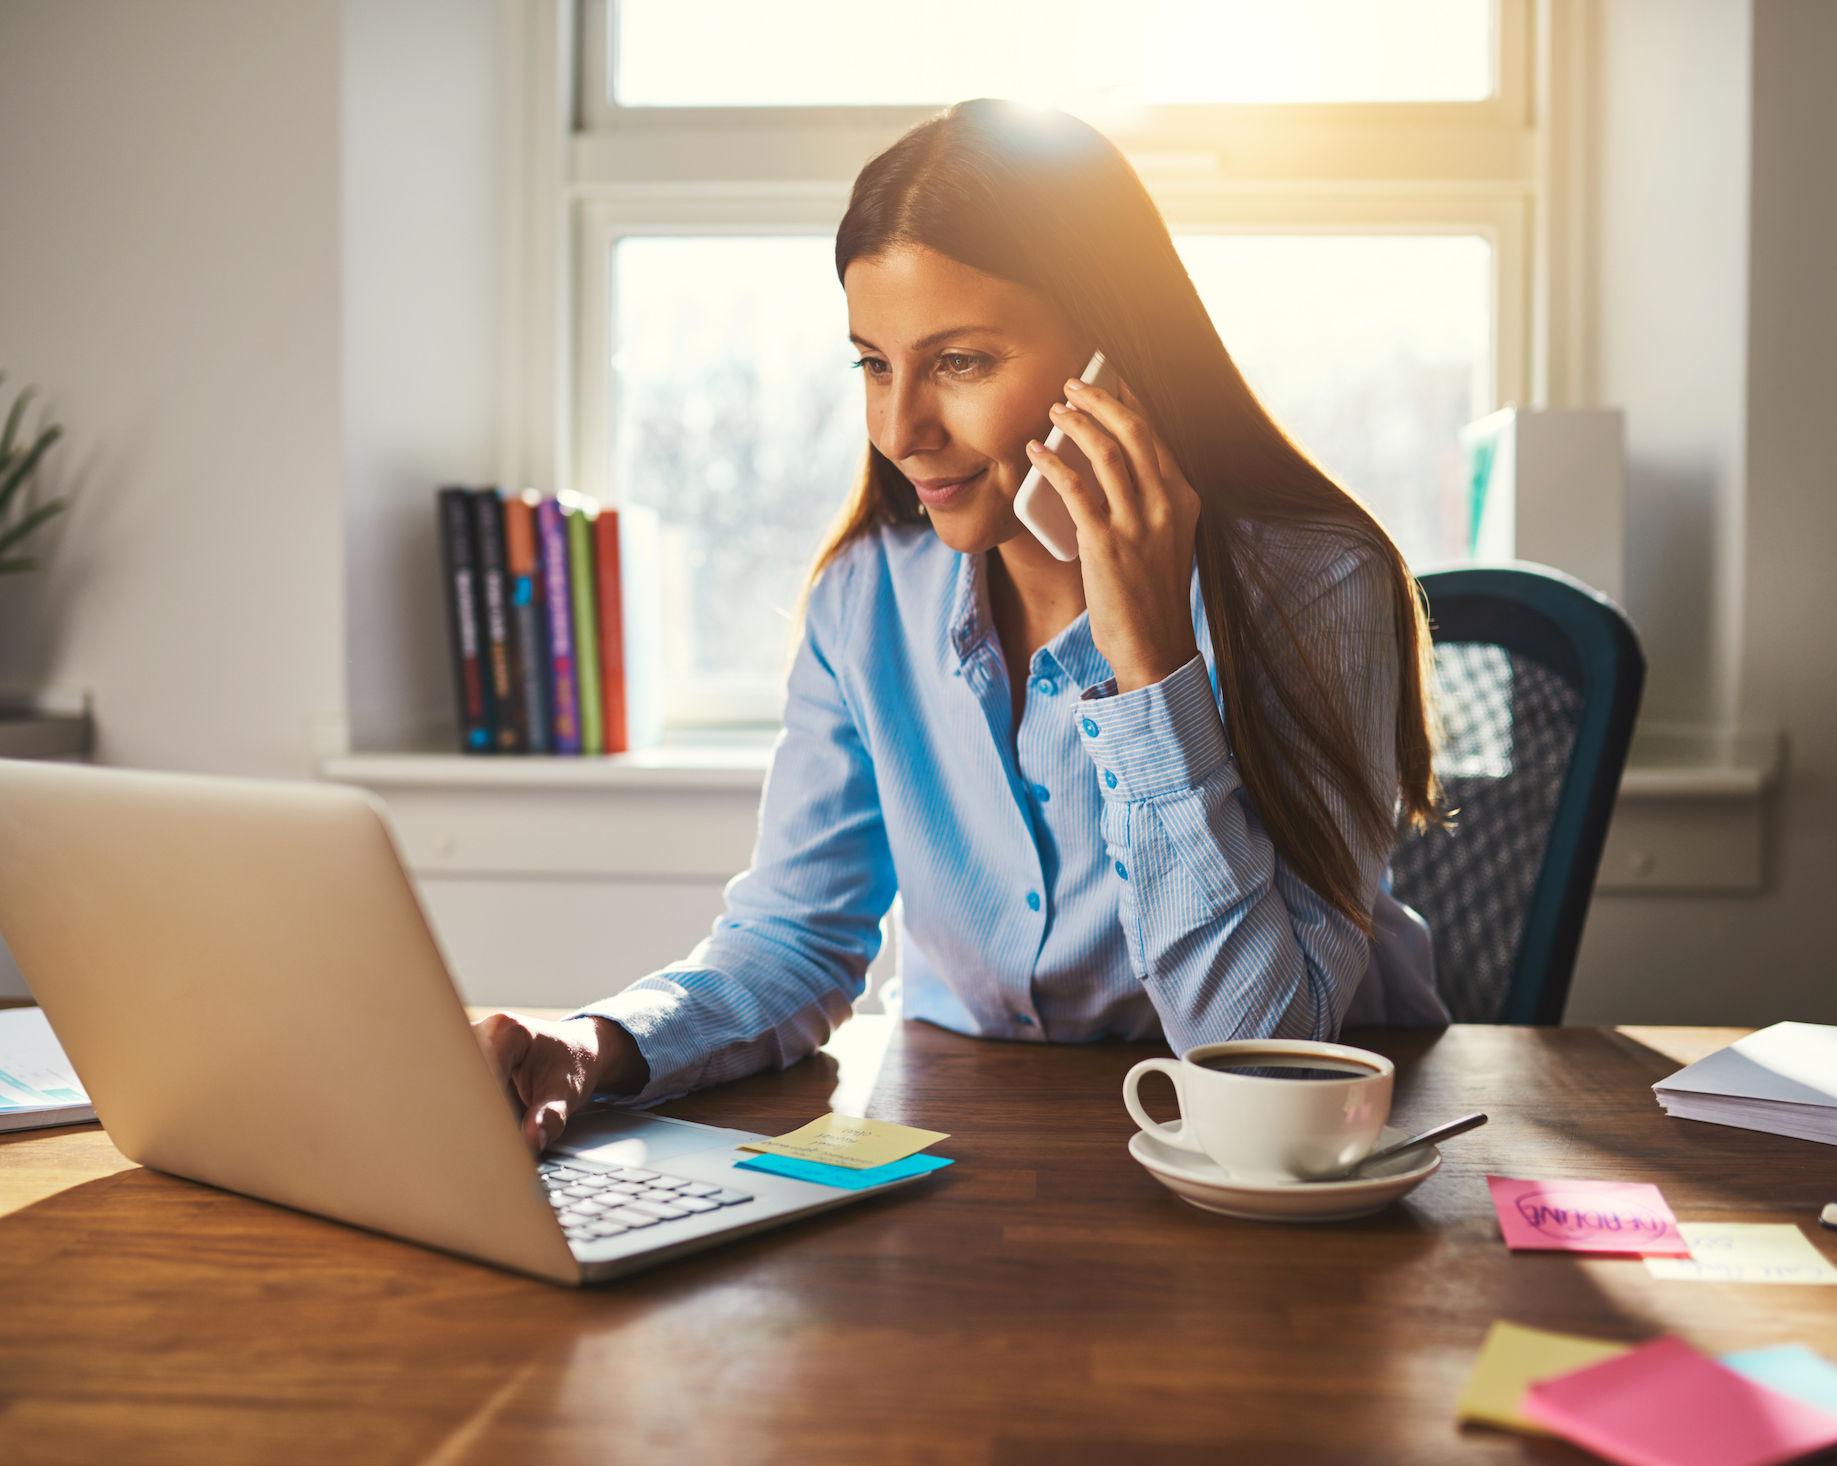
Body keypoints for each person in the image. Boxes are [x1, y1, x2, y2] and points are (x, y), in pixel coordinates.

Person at [479, 99, 1450, 1152]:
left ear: (1111, 361)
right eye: (874, 363)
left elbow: (1258, 1050)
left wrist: (1151, 663)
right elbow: (795, 938)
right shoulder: (867, 595)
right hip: (961, 1148)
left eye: (961, 362)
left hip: (1287, 1173)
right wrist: (593, 1039)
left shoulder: (1312, 585)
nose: (901, 429)